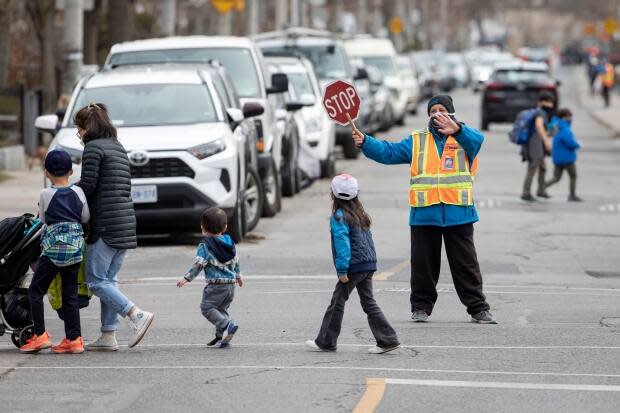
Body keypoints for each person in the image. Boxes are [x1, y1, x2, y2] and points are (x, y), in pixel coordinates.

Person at [350, 95, 496, 324]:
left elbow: (478, 140)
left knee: (466, 265)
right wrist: (366, 142)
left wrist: (456, 130)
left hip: (459, 214)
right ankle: (421, 307)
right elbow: (389, 152)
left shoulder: (466, 138)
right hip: (424, 214)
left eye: (442, 110)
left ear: (452, 113)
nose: (437, 114)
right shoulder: (417, 140)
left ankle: (478, 308)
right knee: (423, 267)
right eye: (432, 110)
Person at [75, 103, 154, 351]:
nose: (79, 132)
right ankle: (108, 335)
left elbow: (88, 185)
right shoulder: (117, 147)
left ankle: (135, 314)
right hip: (125, 222)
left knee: (96, 282)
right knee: (109, 280)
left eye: (80, 127)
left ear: (88, 126)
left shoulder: (93, 148)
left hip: (105, 225)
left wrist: (66, 195)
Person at [306, 174, 400, 354]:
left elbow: (342, 244)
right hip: (368, 263)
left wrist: (342, 270)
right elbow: (368, 240)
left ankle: (326, 341)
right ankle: (388, 339)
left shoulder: (340, 216)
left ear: (333, 194)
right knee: (368, 302)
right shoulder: (360, 214)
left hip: (353, 266)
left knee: (337, 302)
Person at [20, 149, 90, 354]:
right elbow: (85, 217)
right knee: (70, 294)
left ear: (46, 172)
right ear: (70, 171)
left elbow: (42, 221)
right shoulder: (78, 192)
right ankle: (74, 339)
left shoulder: (45, 194)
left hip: (53, 252)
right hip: (75, 250)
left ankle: (40, 334)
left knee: (35, 290)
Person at [177, 207, 243, 348]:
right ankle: (222, 336)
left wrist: (186, 278)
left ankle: (226, 325)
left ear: (203, 227)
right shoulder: (230, 243)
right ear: (225, 227)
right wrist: (238, 276)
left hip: (216, 285)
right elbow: (235, 260)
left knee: (207, 308)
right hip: (231, 286)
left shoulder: (205, 246)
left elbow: (198, 265)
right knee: (221, 309)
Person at [521, 92, 554, 202]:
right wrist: (546, 141)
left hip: (537, 143)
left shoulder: (540, 112)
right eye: (548, 102)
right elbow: (539, 127)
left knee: (542, 167)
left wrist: (549, 134)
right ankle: (526, 192)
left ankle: (541, 190)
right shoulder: (539, 113)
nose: (551, 105)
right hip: (535, 144)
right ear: (541, 102)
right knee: (533, 167)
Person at [545, 109, 583, 202]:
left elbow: (551, 134)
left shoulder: (555, 125)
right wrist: (577, 144)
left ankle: (542, 187)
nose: (571, 119)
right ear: (564, 117)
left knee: (556, 177)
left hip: (557, 156)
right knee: (573, 176)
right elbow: (569, 141)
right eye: (569, 117)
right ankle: (572, 195)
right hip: (567, 157)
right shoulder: (564, 127)